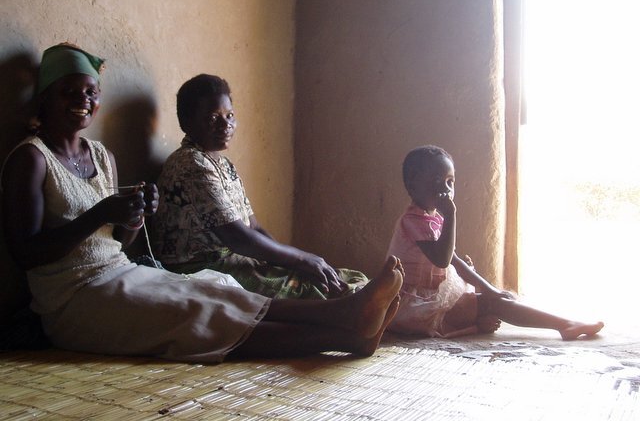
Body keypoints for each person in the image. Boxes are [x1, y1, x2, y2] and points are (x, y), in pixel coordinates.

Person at [0, 43, 404, 363]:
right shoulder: (31, 160)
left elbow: (118, 242)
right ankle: (346, 330)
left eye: (91, 91)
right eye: (68, 92)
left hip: (119, 272)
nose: (83, 100)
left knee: (219, 294)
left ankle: (349, 322)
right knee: (194, 313)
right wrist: (101, 213)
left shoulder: (101, 155)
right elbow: (25, 254)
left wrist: (135, 216)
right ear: (45, 99)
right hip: (72, 300)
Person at [153, 74, 367, 299]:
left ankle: (373, 305)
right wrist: (301, 259)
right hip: (201, 266)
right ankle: (369, 310)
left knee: (339, 277)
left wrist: (293, 263)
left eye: (230, 115)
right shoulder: (191, 163)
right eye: (213, 118)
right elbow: (238, 238)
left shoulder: (224, 166)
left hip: (232, 257)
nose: (226, 125)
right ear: (187, 123)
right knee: (314, 289)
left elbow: (253, 227)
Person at [386, 144, 604, 340]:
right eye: (436, 182)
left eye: (450, 182)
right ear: (413, 186)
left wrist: (488, 287)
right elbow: (443, 260)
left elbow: (454, 260)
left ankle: (479, 320)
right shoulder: (411, 221)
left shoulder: (433, 218)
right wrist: (451, 215)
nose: (446, 189)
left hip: (431, 298)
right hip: (414, 308)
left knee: (491, 299)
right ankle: (565, 325)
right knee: (493, 304)